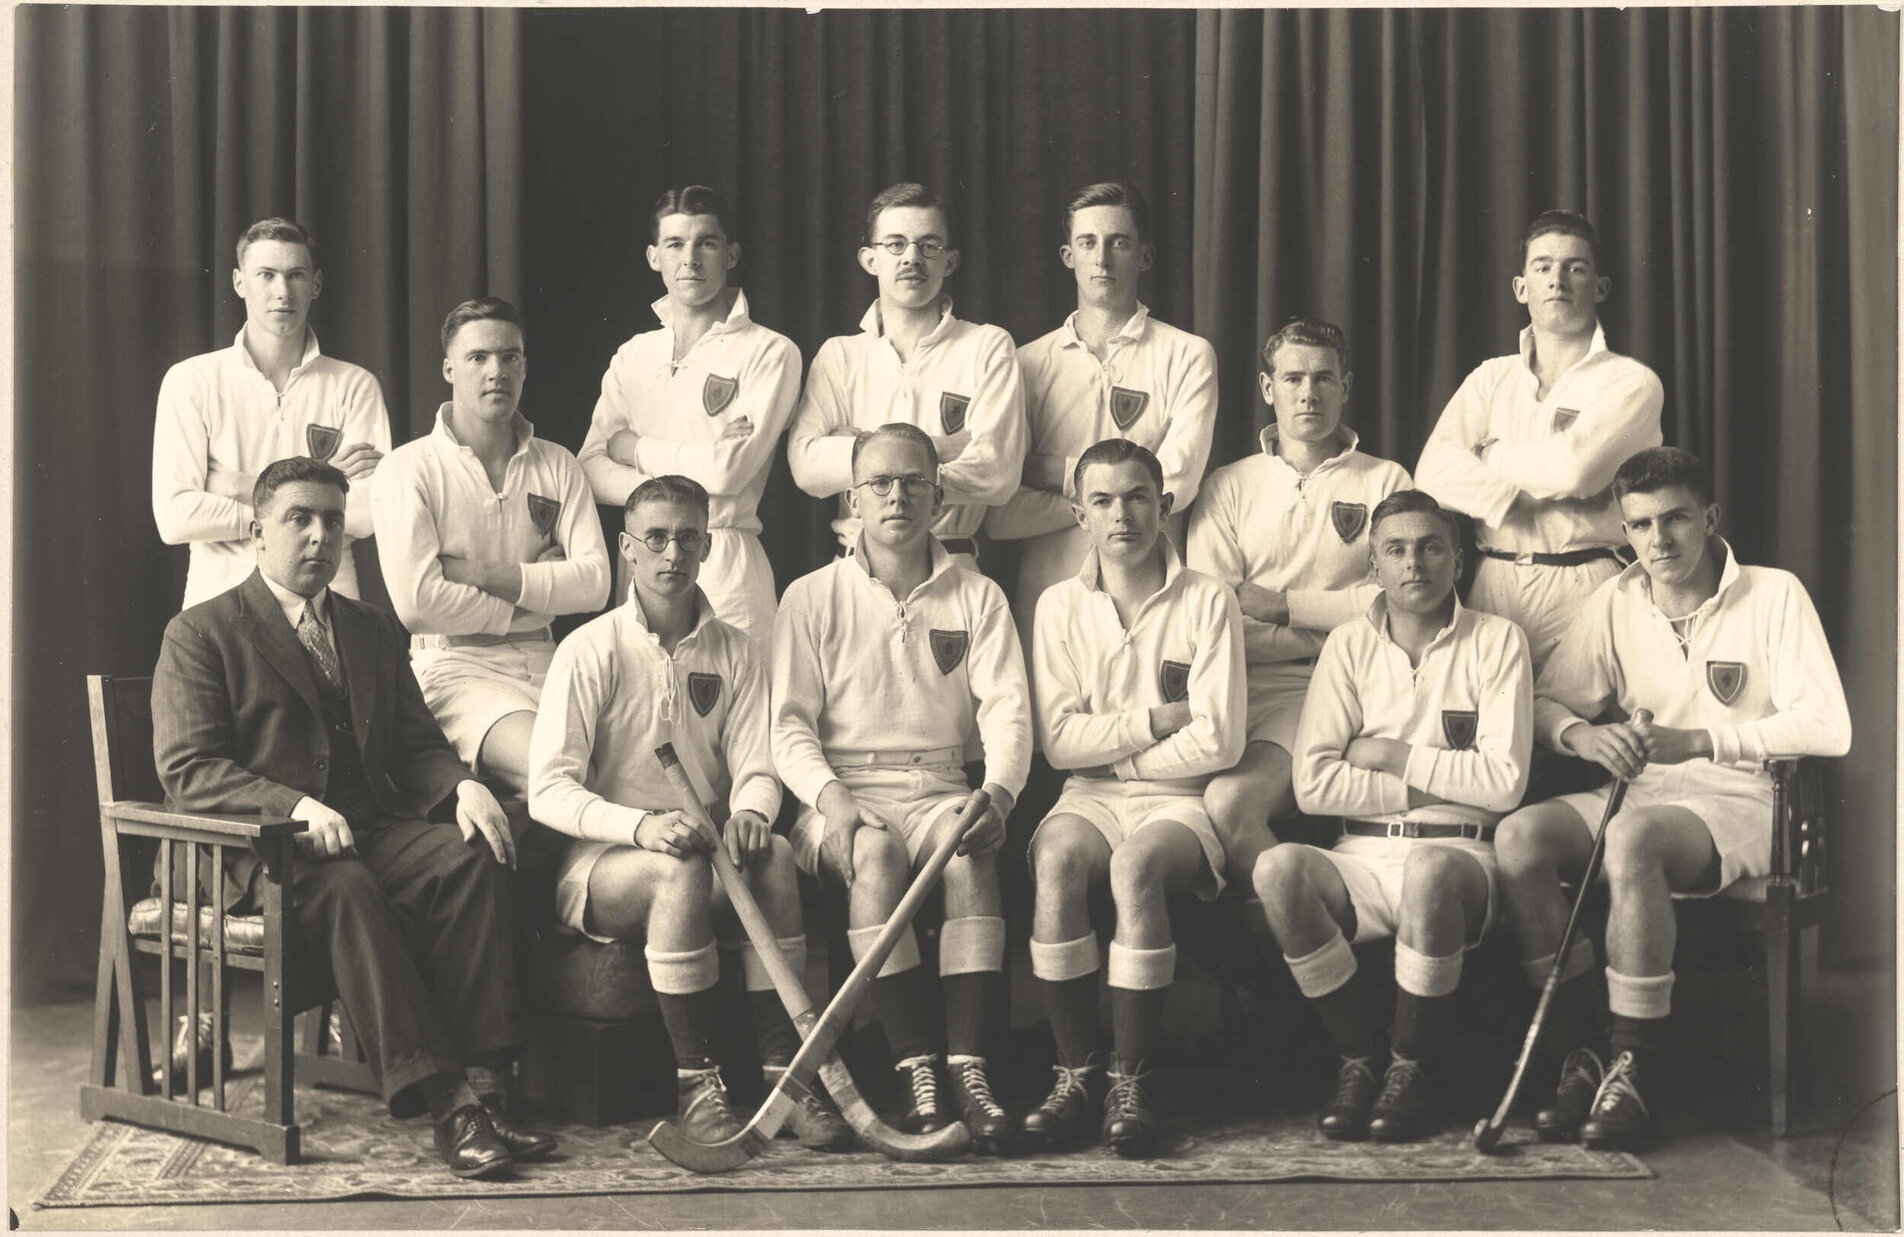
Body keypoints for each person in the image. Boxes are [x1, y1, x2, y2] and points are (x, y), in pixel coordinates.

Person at [151, 457, 555, 1179]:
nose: (318, 535)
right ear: (256, 532)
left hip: (366, 829)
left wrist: (461, 788)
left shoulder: (369, 628)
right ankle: (449, 1100)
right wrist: (294, 806)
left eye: (333, 520)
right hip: (251, 849)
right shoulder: (201, 632)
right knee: (345, 888)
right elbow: (189, 769)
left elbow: (418, 742)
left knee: (470, 854)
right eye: (298, 519)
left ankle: (491, 1086)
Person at [1493, 447, 1851, 1150]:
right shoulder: (1616, 599)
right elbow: (1541, 700)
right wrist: (1582, 738)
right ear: (1624, 530)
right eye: (1642, 524)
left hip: (1745, 800)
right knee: (1518, 840)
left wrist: (1705, 743)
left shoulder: (1775, 593)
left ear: (1709, 516)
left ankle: (1637, 1068)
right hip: (1642, 790)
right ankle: (1580, 1050)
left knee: (1632, 839)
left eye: (1677, 518)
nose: (1660, 540)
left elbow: (1828, 725)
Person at [526, 475, 853, 1151]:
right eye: (656, 538)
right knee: (678, 871)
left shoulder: (735, 648)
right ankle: (697, 1082)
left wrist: (752, 811)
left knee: (779, 855)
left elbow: (757, 764)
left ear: (707, 546)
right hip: (605, 863)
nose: (672, 552)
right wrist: (640, 828)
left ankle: (780, 1076)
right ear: (628, 550)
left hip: (709, 844)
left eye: (687, 537)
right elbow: (548, 790)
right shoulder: (589, 649)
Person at [771, 423, 1031, 1152]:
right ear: (852, 499)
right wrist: (834, 802)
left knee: (968, 851)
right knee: (877, 856)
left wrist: (1000, 794)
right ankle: (915, 1066)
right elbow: (788, 727)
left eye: (914, 481)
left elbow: (1008, 711)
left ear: (939, 496)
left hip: (941, 783)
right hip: (842, 793)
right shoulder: (810, 595)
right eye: (880, 484)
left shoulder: (978, 595)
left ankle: (969, 1070)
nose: (897, 496)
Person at [1256, 490, 1532, 1142]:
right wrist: (1427, 781)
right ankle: (1360, 1057)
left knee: (1433, 869)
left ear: (1458, 560)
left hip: (1460, 854)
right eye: (1397, 549)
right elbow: (1315, 783)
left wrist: (1390, 754)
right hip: (1363, 855)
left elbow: (1505, 783)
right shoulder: (1348, 645)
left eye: (1432, 546)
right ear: (1373, 566)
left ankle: (1411, 1068)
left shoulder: (1498, 642)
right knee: (1277, 868)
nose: (1416, 563)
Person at [1022, 439, 1246, 1158]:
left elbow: (1219, 744)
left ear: (1166, 503)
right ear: (1080, 513)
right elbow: (1057, 743)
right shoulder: (1058, 604)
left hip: (1179, 799)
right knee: (1057, 857)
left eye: (1138, 496)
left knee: (1136, 867)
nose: (1123, 514)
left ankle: (1132, 1078)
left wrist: (1111, 748)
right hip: (1088, 792)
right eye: (1103, 500)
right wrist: (1151, 721)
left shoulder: (1208, 597)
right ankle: (1076, 1073)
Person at [1188, 318, 1411, 890]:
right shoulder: (1227, 486)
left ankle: (1303, 949)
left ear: (1345, 385)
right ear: (1268, 389)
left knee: (1233, 803)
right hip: (1234, 688)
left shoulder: (1385, 480)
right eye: (1292, 379)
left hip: (1338, 690)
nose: (1308, 393)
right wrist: (1336, 617)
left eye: (1322, 378)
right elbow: (1216, 618)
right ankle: (1292, 945)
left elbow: (1397, 605)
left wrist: (1283, 606)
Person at [371, 298, 610, 796]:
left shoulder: (559, 464)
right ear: (448, 368)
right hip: (457, 669)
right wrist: (538, 597)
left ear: (524, 366)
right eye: (478, 357)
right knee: (558, 771)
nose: (496, 371)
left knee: (622, 769)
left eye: (510, 357)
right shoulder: (408, 468)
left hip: (552, 661)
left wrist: (480, 572)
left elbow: (595, 585)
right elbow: (418, 606)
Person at [1415, 209, 1664, 672]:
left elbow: (1576, 469)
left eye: (1576, 267)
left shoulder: (1632, 382)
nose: (1558, 281)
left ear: (1601, 287)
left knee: (1579, 728)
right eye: (1543, 267)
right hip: (1492, 580)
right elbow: (1431, 471)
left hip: (1587, 580)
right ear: (1521, 287)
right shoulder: (1491, 377)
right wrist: (1509, 499)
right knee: (1489, 731)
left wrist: (1487, 454)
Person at [986, 182, 1218, 651]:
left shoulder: (1188, 356)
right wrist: (1124, 502)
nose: (1103, 259)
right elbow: (1002, 515)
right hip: (1049, 600)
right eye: (1088, 243)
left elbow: (1177, 481)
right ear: (1067, 255)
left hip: (1152, 602)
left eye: (1120, 242)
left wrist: (1057, 472)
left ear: (1146, 256)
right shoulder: (1025, 364)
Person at [577, 186, 802, 660]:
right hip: (643, 562)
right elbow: (590, 470)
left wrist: (635, 448)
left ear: (732, 253)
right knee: (643, 721)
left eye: (707, 243)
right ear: (653, 256)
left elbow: (729, 473)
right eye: (676, 244)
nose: (691, 259)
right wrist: (702, 460)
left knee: (738, 721)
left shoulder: (769, 351)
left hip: (724, 559)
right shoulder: (634, 354)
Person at [153, 217, 391, 609]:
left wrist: (234, 484)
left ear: (315, 284)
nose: (282, 291)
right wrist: (321, 492)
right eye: (266, 275)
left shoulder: (354, 385)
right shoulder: (191, 380)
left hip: (328, 604)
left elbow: (368, 514)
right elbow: (176, 518)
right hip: (221, 607)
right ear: (238, 282)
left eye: (295, 275)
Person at [786, 183, 1026, 566]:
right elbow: (805, 465)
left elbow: (998, 473)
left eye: (929, 245)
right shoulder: (839, 355)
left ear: (949, 261)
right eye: (895, 244)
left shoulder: (987, 345)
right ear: (869, 259)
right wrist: (942, 448)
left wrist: (861, 450)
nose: (912, 258)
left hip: (952, 565)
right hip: (853, 567)